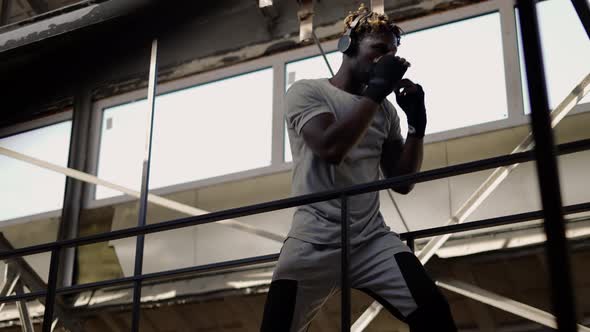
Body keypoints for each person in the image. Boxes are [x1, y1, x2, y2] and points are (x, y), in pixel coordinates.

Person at [260, 4, 456, 332]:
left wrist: (416, 127)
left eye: (392, 54)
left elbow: (402, 182)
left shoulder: (385, 112)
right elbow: (331, 148)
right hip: (312, 243)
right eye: (378, 50)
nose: (387, 60)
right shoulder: (307, 92)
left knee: (435, 314)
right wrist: (378, 91)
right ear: (348, 46)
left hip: (370, 240)